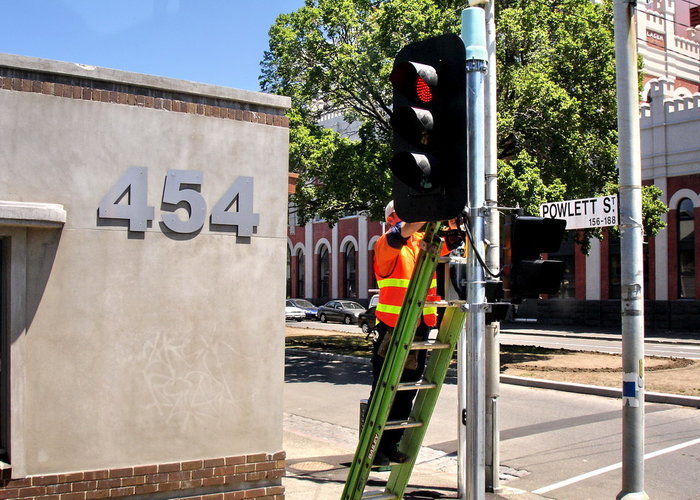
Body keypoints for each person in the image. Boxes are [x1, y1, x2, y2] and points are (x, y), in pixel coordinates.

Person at [369, 200, 445, 465]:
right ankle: (374, 446)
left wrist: (454, 221)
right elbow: (404, 231)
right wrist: (433, 209)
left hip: (420, 326)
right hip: (393, 328)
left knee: (406, 390)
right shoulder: (385, 243)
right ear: (391, 218)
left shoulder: (422, 242)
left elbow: (452, 242)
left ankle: (391, 444)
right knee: (385, 388)